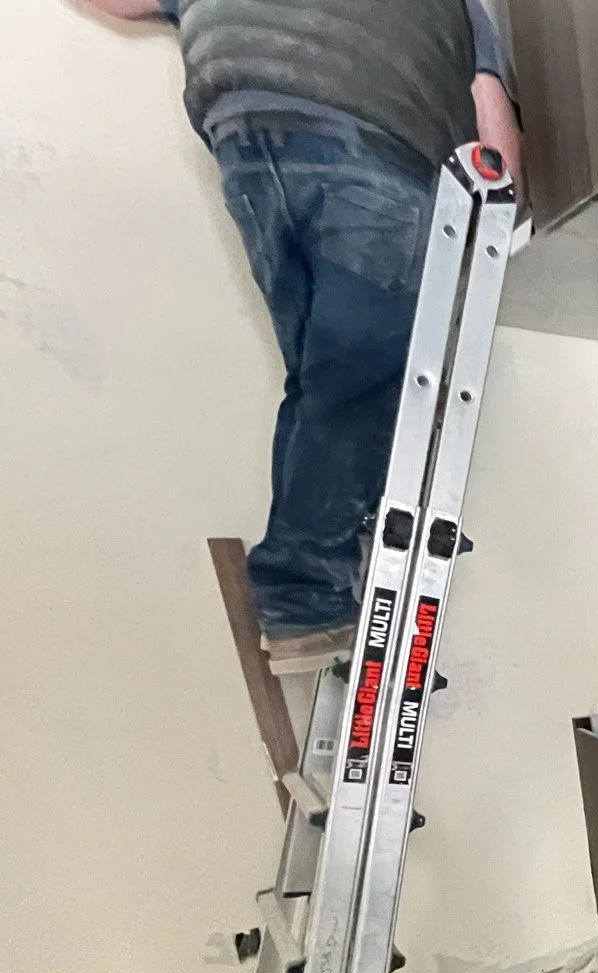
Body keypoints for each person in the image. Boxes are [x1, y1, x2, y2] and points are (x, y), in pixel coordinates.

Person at [80, 0, 522, 667]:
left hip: (245, 135)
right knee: (364, 372)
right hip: (365, 130)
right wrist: (505, 219)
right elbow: (488, 115)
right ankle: (303, 592)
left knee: (327, 372)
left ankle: (372, 512)